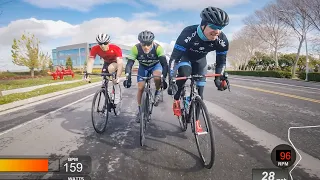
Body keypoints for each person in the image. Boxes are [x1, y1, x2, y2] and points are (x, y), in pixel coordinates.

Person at [167, 6, 229, 117]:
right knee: (184, 74)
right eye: (214, 27)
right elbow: (174, 58)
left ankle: (195, 121)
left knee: (200, 93)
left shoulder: (222, 39)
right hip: (185, 58)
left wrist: (219, 78)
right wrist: (171, 78)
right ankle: (176, 99)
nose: (217, 31)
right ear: (203, 25)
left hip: (200, 60)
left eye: (221, 28)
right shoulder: (188, 33)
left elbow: (221, 62)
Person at [123, 30, 168, 123]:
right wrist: (128, 77)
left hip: (156, 66)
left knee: (157, 77)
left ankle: (158, 91)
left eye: (148, 44)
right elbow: (129, 64)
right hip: (143, 67)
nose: (146, 47)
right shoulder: (135, 48)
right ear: (140, 43)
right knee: (140, 88)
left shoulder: (158, 48)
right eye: (144, 44)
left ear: (152, 42)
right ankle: (140, 111)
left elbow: (164, 65)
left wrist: (164, 78)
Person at [86, 33, 123, 104]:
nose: (103, 46)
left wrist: (118, 77)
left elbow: (120, 64)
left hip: (116, 63)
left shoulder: (116, 48)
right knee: (104, 82)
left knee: (111, 70)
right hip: (106, 63)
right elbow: (90, 61)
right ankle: (108, 97)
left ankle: (117, 95)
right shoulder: (95, 48)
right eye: (100, 44)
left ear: (108, 42)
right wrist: (88, 74)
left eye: (105, 43)